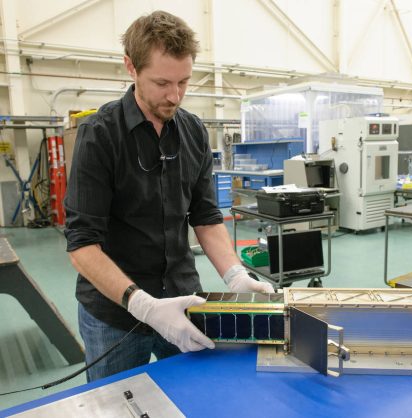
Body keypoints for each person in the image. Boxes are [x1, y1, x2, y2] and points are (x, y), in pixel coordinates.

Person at [64, 11, 273, 382]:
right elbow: (82, 246)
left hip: (183, 300)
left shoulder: (192, 131)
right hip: (114, 314)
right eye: (162, 83)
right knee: (116, 406)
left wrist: (235, 274)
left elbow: (206, 217)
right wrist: (143, 305)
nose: (174, 95)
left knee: (197, 397)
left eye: (184, 82)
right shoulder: (99, 135)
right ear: (131, 67)